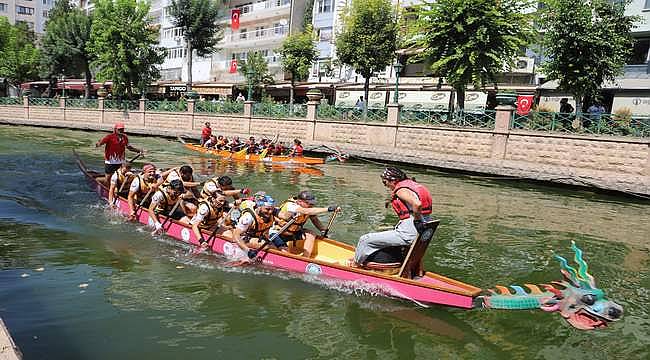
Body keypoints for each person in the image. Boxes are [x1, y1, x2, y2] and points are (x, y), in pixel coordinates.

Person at [351, 167, 432, 275]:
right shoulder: (414, 185)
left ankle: (354, 266)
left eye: (385, 182)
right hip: (423, 231)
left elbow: (417, 204)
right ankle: (417, 273)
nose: (385, 186)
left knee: (364, 240)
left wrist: (417, 221)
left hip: (409, 232)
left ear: (393, 180)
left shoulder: (401, 190)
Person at [270, 190, 339, 258]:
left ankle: (305, 258)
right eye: (308, 203)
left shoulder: (308, 208)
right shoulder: (291, 205)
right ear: (300, 201)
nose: (311, 205)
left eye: (312, 203)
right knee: (286, 253)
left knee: (311, 234)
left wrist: (323, 230)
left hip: (293, 233)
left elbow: (314, 219)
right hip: (277, 233)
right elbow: (306, 211)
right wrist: (328, 209)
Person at [229, 195, 277, 261]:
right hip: (243, 238)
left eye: (272, 209)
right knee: (265, 245)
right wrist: (247, 251)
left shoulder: (269, 215)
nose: (270, 212)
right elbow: (236, 235)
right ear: (259, 207)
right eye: (267, 209)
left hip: (257, 238)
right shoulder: (248, 217)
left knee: (275, 246)